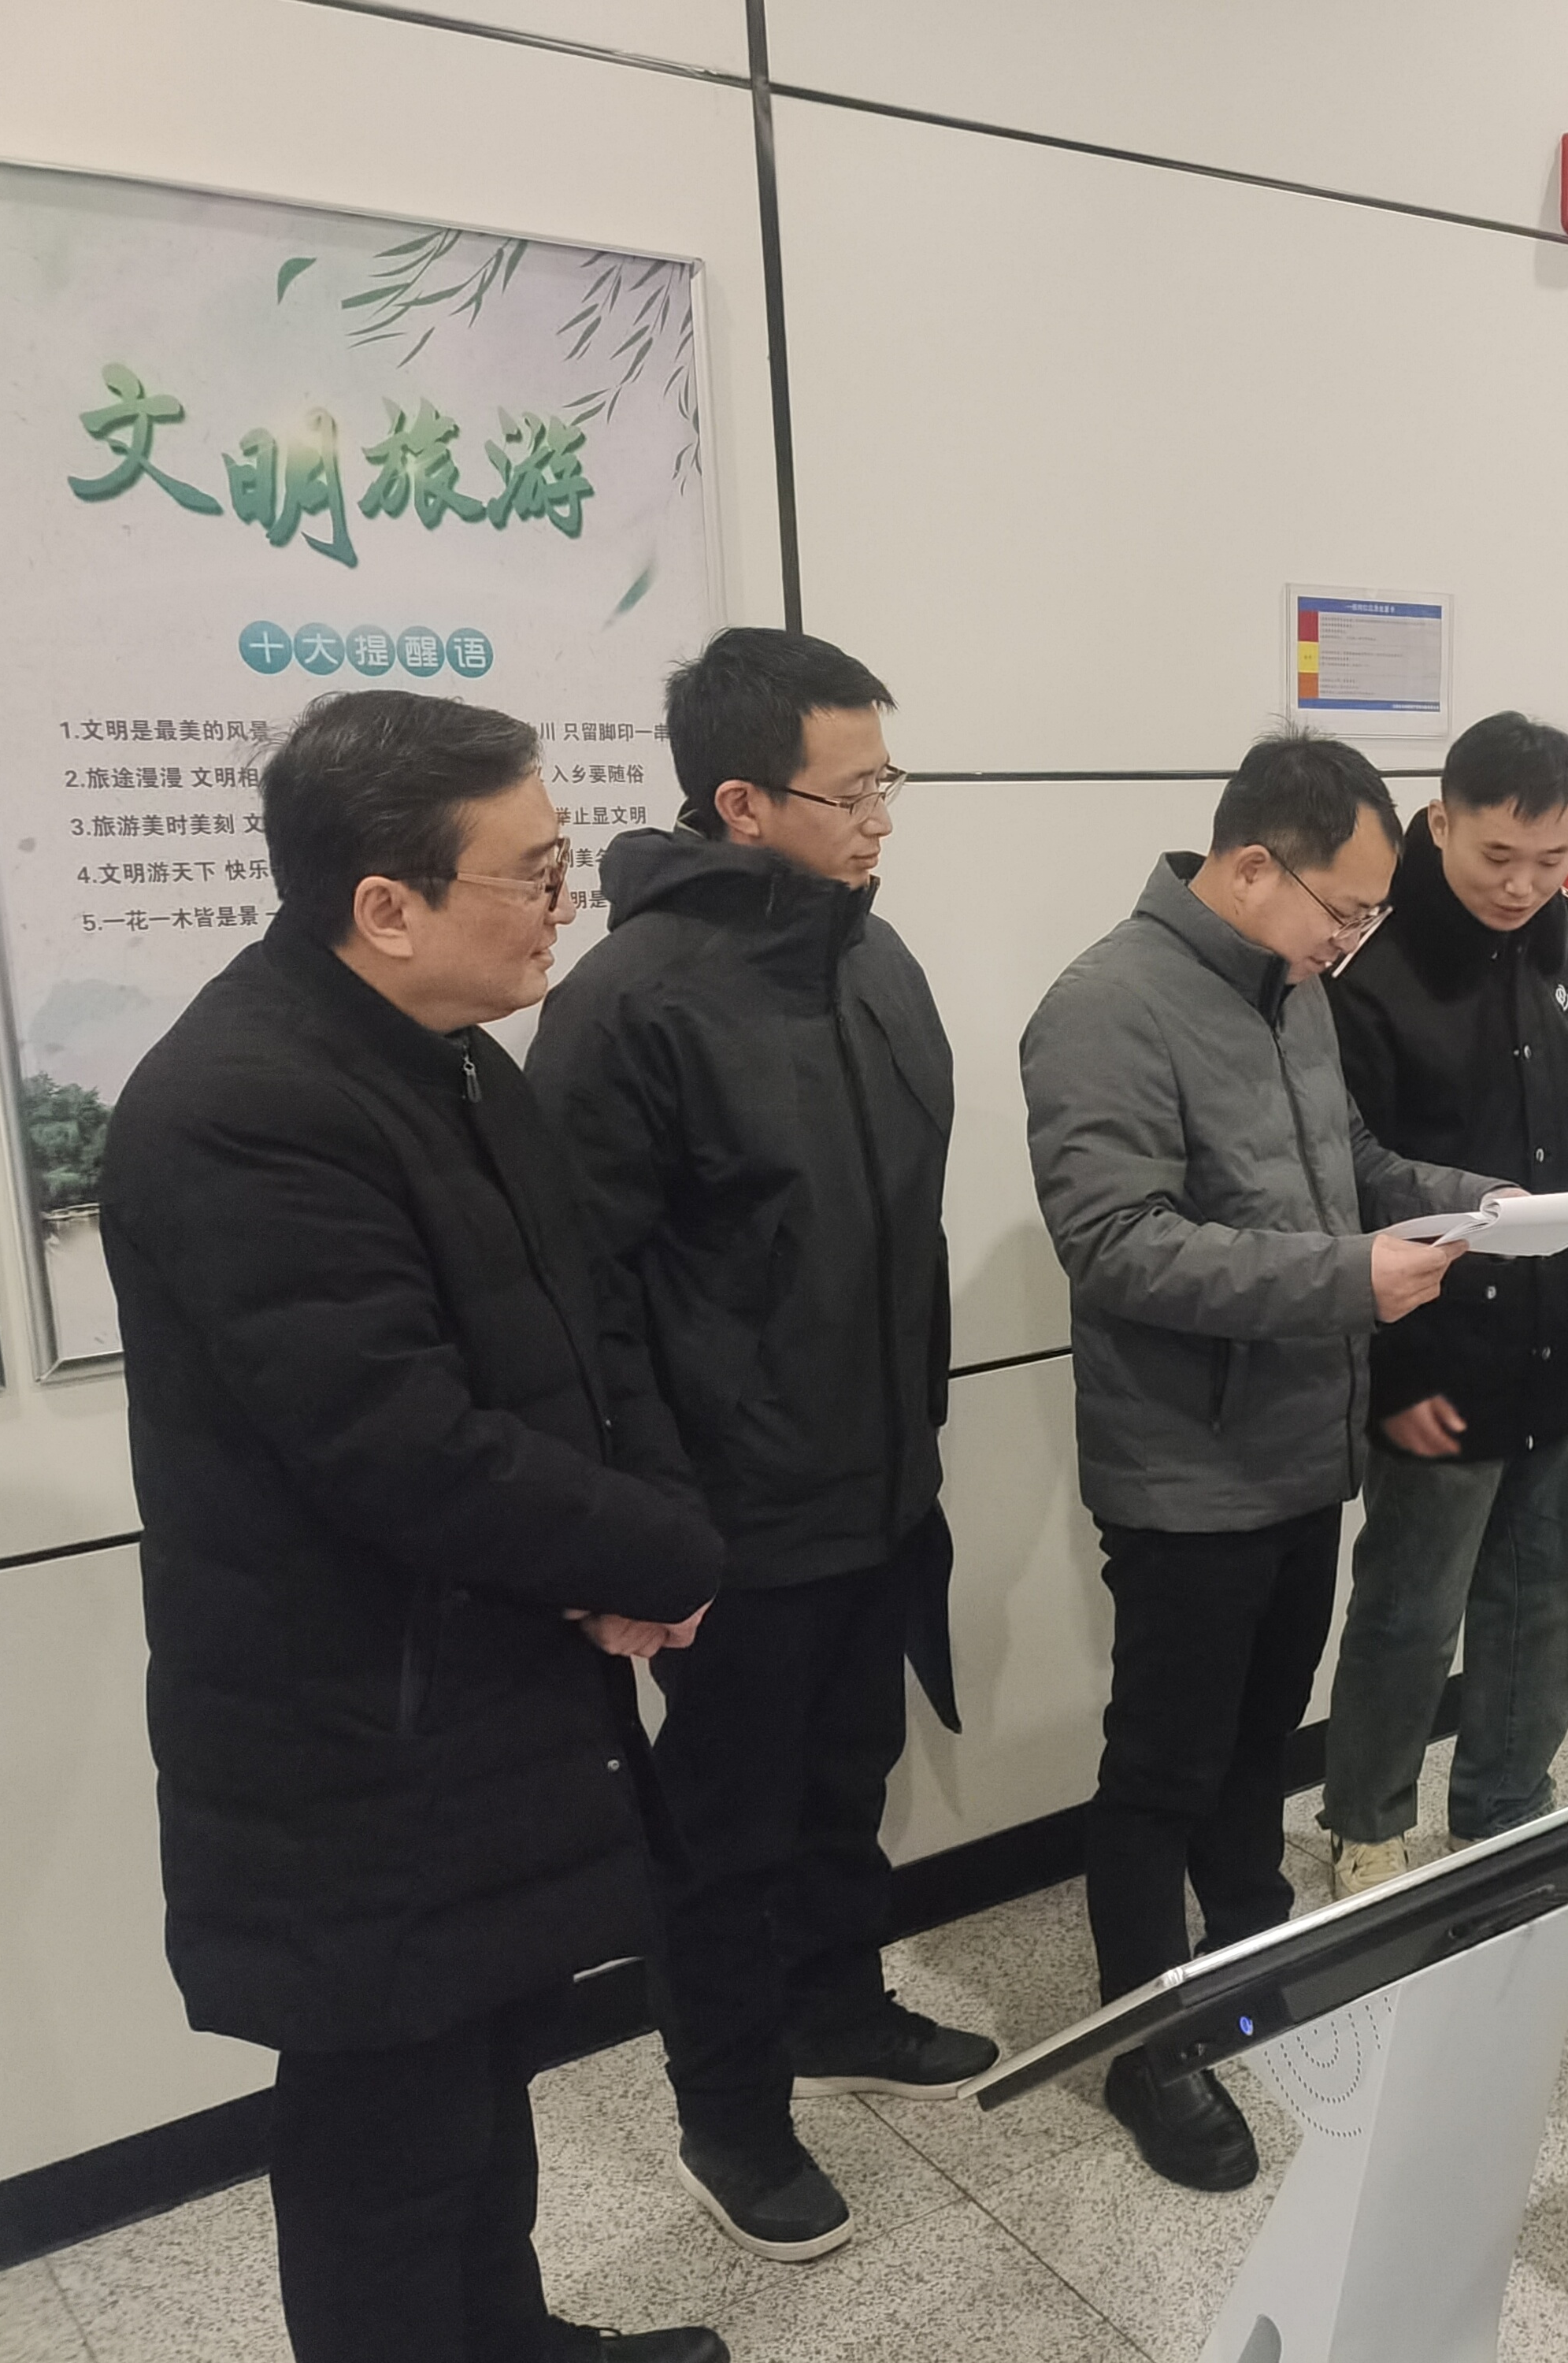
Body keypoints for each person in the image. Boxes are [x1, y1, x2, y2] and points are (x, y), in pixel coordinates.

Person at [99, 691, 728, 2363]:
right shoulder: (241, 1108)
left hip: (484, 1682)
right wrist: (655, 1561)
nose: (565, 901)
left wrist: (654, 1532)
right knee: (386, 2140)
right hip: (356, 1732)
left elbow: (586, 1337)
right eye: (535, 872)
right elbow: (400, 1448)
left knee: (484, 2073)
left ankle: (508, 2341)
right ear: (387, 903)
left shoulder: (446, 1062)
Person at [526, 629, 989, 2265]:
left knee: (847, 1782)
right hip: (731, 1517)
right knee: (723, 1837)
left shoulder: (875, 959)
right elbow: (587, 1310)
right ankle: (729, 2115)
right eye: (848, 791)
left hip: (881, 1484)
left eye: (886, 781)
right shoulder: (628, 1005)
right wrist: (657, 1527)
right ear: (740, 801)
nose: (880, 817)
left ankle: (837, 2008)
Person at [1021, 733, 1498, 2191]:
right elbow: (1119, 1244)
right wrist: (1353, 1279)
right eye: (1342, 910)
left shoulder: (1293, 991)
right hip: (1187, 1470)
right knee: (1162, 1767)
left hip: (1301, 1449)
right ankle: (1145, 2047)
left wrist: (1478, 1206)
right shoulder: (1105, 1007)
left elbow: (1352, 1168)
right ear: (1249, 866)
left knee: (1258, 1742)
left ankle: (1247, 1956)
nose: (1352, 941)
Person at [1320, 713, 1568, 1896]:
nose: (1521, 886)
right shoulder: (1368, 965)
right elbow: (1345, 1176)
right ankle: (1366, 1824)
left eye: (1550, 859)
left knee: (1549, 1591)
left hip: (1554, 1332)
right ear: (1440, 821)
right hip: (1432, 1349)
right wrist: (1386, 1374)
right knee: (1412, 1608)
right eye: (1496, 857)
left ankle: (1507, 1805)